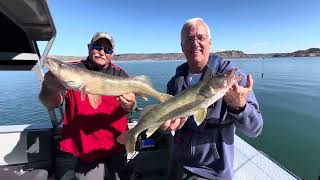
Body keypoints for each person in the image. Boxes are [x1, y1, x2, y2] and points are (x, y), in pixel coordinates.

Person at [161, 18, 263, 180]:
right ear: (182, 47)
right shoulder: (175, 82)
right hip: (178, 165)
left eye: (200, 37)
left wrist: (239, 106)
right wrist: (164, 126)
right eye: (189, 39)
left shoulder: (232, 77)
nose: (195, 43)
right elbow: (164, 125)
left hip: (212, 172)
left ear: (210, 42)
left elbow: (255, 129)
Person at [39, 32, 135, 180]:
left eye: (108, 50)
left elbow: (130, 108)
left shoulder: (121, 74)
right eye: (98, 46)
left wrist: (130, 104)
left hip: (116, 144)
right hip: (84, 147)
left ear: (112, 54)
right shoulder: (71, 71)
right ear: (89, 47)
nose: (102, 52)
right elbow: (50, 103)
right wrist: (49, 86)